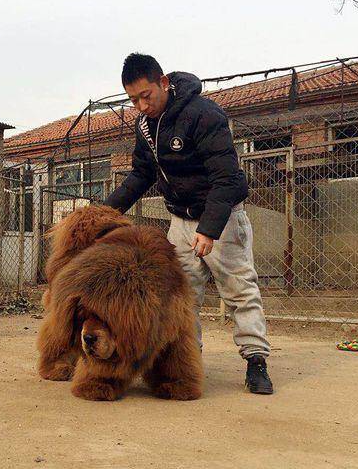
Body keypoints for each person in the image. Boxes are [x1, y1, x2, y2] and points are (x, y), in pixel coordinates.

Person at [104, 53, 273, 394]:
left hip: (222, 218)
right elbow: (141, 174)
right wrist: (106, 212)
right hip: (179, 220)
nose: (140, 106)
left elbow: (227, 178)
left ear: (163, 83)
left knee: (240, 291)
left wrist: (209, 229)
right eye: (133, 100)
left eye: (145, 96)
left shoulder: (205, 115)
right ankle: (186, 361)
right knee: (181, 296)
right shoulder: (145, 126)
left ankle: (256, 362)